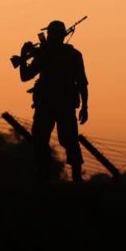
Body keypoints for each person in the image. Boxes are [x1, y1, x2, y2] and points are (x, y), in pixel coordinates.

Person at [17, 20, 88, 181]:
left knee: (63, 139)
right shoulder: (64, 54)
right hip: (52, 104)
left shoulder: (53, 54)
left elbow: (82, 83)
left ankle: (51, 174)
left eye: (51, 34)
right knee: (46, 138)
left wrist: (85, 107)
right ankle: (47, 174)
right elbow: (25, 76)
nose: (49, 38)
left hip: (55, 104)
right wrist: (23, 57)